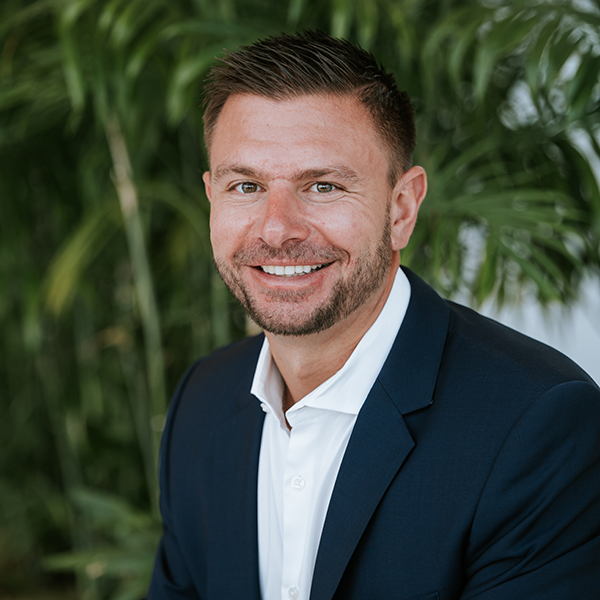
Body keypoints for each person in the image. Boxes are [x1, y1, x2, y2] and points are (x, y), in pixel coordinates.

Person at [147, 31, 600, 600]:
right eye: (246, 186)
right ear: (213, 197)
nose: (277, 228)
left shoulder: (538, 426)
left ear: (401, 209)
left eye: (323, 185)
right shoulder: (201, 402)